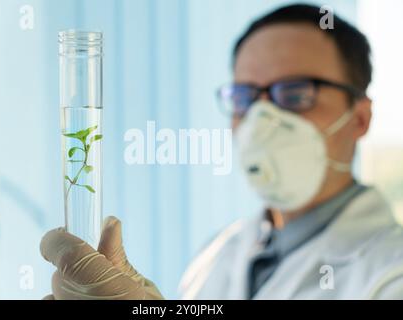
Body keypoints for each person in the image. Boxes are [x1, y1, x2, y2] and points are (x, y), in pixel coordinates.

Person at [40, 4, 403, 299]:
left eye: (294, 94)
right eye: (245, 98)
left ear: (359, 118)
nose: (262, 120)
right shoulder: (218, 253)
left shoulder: (391, 274)